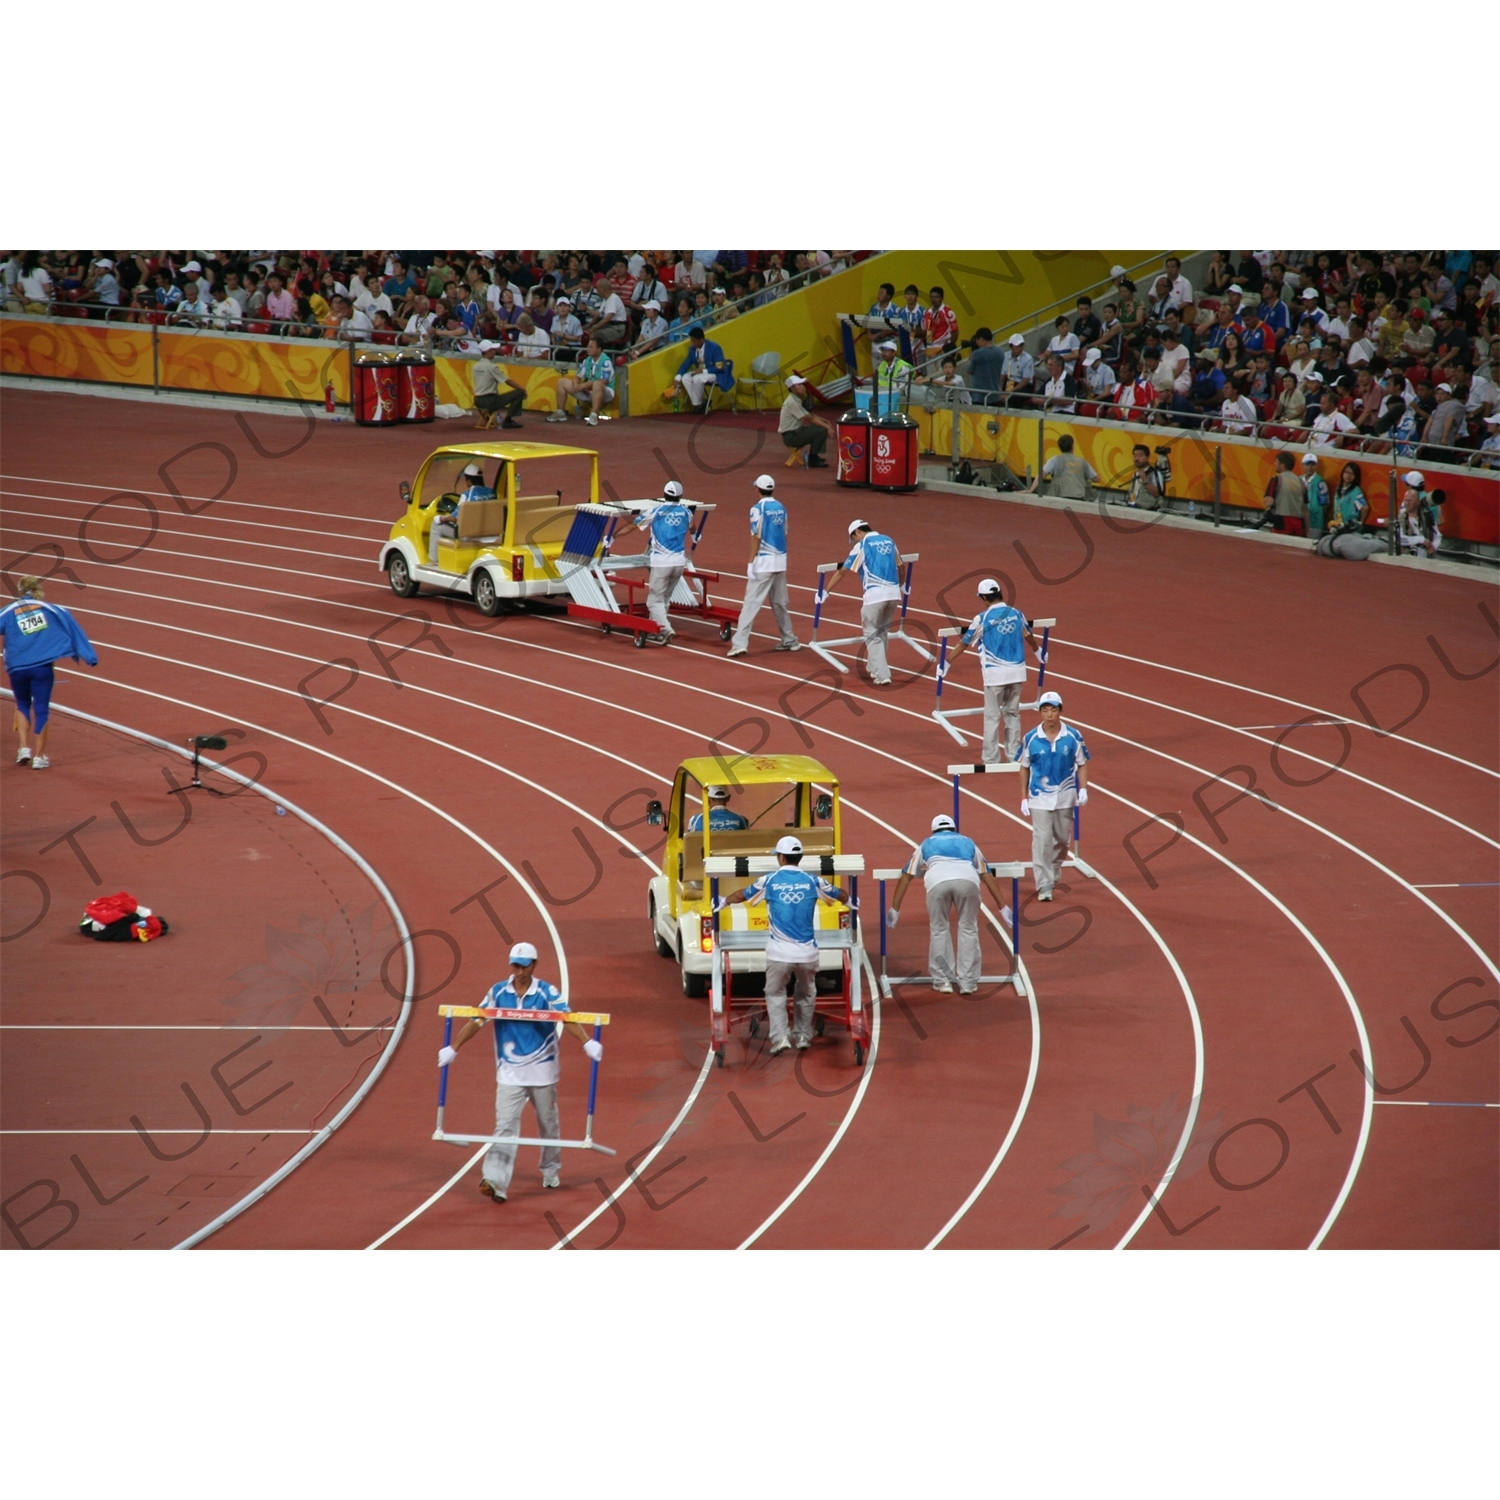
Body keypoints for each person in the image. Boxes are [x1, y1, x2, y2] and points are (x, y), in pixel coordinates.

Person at [437, 941, 601, 1202]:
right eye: (515, 966)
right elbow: (477, 1019)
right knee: (504, 1126)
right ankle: (495, 1180)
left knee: (548, 1125)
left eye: (524, 966)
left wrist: (587, 1042)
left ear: (534, 965)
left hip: (543, 1072)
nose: (520, 971)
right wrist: (453, 1048)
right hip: (509, 1074)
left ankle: (550, 1169)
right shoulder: (497, 992)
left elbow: (568, 1018)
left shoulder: (548, 992)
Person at [718, 836, 848, 1054]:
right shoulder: (813, 881)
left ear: (780, 857)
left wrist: (723, 901)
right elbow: (841, 894)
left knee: (776, 992)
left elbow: (742, 894)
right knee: (806, 993)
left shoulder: (769, 880)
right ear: (800, 857)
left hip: (779, 954)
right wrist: (851, 901)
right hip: (808, 954)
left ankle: (780, 1039)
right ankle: (804, 1036)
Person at [886, 814, 1012, 995]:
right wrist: (1003, 907)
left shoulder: (926, 843)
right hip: (967, 881)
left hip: (938, 883)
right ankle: (968, 982)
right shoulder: (968, 842)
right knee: (969, 928)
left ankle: (943, 981)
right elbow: (986, 875)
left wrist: (895, 909)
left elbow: (906, 875)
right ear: (954, 829)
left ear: (933, 830)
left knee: (939, 929)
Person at [2, 575, 100, 769]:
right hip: (42, 668)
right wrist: (89, 656)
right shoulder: (52, 610)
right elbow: (72, 627)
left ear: (20, 591)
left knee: (22, 704)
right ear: (39, 589)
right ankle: (39, 757)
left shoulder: (9, 611)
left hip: (17, 668)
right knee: (41, 709)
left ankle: (23, 748)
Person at [940, 578, 1040, 764]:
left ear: (985, 598)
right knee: (1013, 714)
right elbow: (1029, 634)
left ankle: (991, 758)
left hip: (995, 676)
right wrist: (1038, 651)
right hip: (1017, 673)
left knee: (992, 717)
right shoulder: (1017, 613)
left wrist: (947, 662)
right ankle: (1014, 755)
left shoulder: (982, 618)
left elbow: (964, 643)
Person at [1019, 690, 1090, 903]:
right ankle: (1044, 885)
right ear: (1040, 712)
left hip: (1065, 797)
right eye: (1045, 710)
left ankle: (1054, 867)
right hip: (1039, 797)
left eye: (1053, 710)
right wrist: (1023, 797)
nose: (1049, 714)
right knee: (1041, 841)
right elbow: (1023, 767)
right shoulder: (1031, 738)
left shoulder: (1073, 736)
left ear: (1060, 711)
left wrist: (1083, 788)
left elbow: (1082, 763)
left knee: (1062, 839)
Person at [728, 474, 801, 658]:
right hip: (780, 561)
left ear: (757, 489)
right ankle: (790, 639)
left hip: (763, 563)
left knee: (750, 604)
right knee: (779, 603)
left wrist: (751, 562)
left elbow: (756, 536)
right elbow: (784, 532)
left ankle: (739, 644)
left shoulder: (757, 509)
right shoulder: (781, 508)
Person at [824, 519, 904, 687]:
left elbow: (843, 570)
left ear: (857, 533)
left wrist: (826, 590)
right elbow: (901, 565)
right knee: (882, 633)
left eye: (854, 538)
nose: (855, 541)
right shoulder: (889, 540)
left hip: (875, 596)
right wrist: (902, 585)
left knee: (871, 634)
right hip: (893, 594)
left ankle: (883, 674)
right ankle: (874, 668)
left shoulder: (862, 545)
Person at [634, 479, 693, 645]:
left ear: (664, 494)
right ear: (680, 496)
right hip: (679, 563)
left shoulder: (656, 510)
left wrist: (612, 537)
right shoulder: (687, 512)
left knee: (653, 601)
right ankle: (657, 630)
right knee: (665, 598)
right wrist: (696, 537)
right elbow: (693, 528)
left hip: (661, 562)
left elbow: (634, 525)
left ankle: (666, 629)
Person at [429, 463, 494, 564]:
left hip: (469, 535)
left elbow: (455, 518)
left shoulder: (467, 495)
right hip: (489, 532)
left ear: (468, 480)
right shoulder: (492, 492)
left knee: (436, 526)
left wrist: (441, 518)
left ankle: (433, 561)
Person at [552, 336, 615, 424]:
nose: (588, 349)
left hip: (605, 392)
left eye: (591, 347)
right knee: (562, 382)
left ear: (599, 349)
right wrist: (576, 385)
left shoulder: (606, 361)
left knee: (597, 384)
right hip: (589, 391)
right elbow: (577, 376)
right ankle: (560, 412)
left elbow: (604, 381)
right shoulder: (587, 360)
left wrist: (585, 385)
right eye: (588, 346)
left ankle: (593, 416)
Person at [673, 325, 733, 414]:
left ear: (702, 339)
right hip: (702, 371)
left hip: (717, 374)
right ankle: (701, 403)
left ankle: (697, 405)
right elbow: (686, 364)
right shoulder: (692, 349)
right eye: (691, 341)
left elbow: (720, 366)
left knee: (697, 378)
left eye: (694, 341)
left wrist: (703, 371)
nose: (692, 343)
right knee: (686, 377)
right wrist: (677, 378)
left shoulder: (715, 348)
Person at [778, 373, 832, 467]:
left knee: (818, 427)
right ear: (792, 388)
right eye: (799, 385)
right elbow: (809, 418)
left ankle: (814, 457)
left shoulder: (795, 399)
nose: (802, 387)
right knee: (821, 430)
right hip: (791, 437)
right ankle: (813, 459)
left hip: (795, 432)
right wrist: (827, 426)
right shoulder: (793, 402)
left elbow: (808, 414)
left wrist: (824, 420)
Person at [471, 341, 525, 429]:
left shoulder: (476, 366)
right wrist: (522, 388)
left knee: (496, 395)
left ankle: (489, 417)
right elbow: (508, 381)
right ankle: (508, 420)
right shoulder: (491, 367)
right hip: (490, 400)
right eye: (493, 350)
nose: (495, 352)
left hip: (477, 400)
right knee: (519, 392)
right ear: (488, 351)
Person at [1028, 433, 1096, 498]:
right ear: (1072, 446)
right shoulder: (1083, 462)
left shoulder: (1054, 460)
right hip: (1079, 496)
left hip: (1059, 496)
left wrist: (1031, 490)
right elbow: (1096, 478)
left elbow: (1041, 475)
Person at [1259, 450, 1308, 535]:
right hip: (1299, 523)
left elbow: (1269, 502)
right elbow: (1306, 509)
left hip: (1282, 520)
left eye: (1276, 462)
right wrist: (1307, 531)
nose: (1274, 464)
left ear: (1282, 465)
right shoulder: (1300, 482)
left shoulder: (1277, 479)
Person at [873, 340, 913, 411]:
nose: (884, 353)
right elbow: (879, 382)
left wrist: (883, 393)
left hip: (899, 395)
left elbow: (900, 388)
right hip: (884, 394)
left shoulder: (902, 367)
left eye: (887, 350)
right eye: (882, 350)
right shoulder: (882, 365)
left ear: (894, 352)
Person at [1300, 453, 1331, 537]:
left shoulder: (1320, 482)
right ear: (1302, 465)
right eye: (1307, 464)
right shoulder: (1298, 480)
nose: (1310, 467)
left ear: (1316, 466)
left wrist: (1319, 517)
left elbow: (1325, 504)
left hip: (1314, 522)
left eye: (1312, 464)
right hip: (1299, 520)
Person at [1333, 462, 1369, 529]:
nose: (1349, 476)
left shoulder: (1356, 491)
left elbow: (1365, 508)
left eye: (1352, 474)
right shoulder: (1339, 488)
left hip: (1350, 527)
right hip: (1338, 524)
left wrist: (1360, 522)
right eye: (1347, 472)